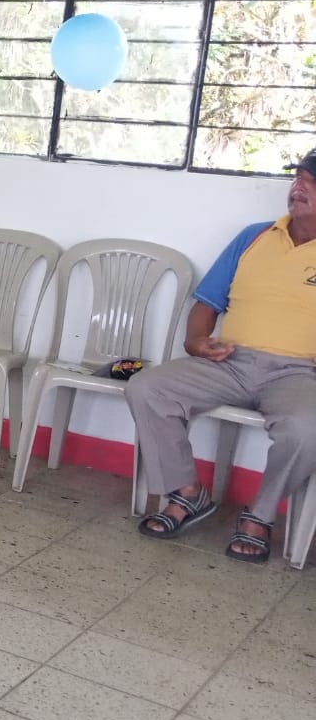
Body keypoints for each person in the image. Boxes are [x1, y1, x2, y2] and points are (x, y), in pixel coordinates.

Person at [128, 151, 316, 563]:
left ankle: (260, 516)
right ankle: (187, 492)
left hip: (299, 374)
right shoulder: (254, 237)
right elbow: (207, 303)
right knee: (146, 388)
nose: (298, 187)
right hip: (230, 361)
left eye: (312, 181)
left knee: (307, 427)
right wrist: (196, 341)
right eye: (298, 177)